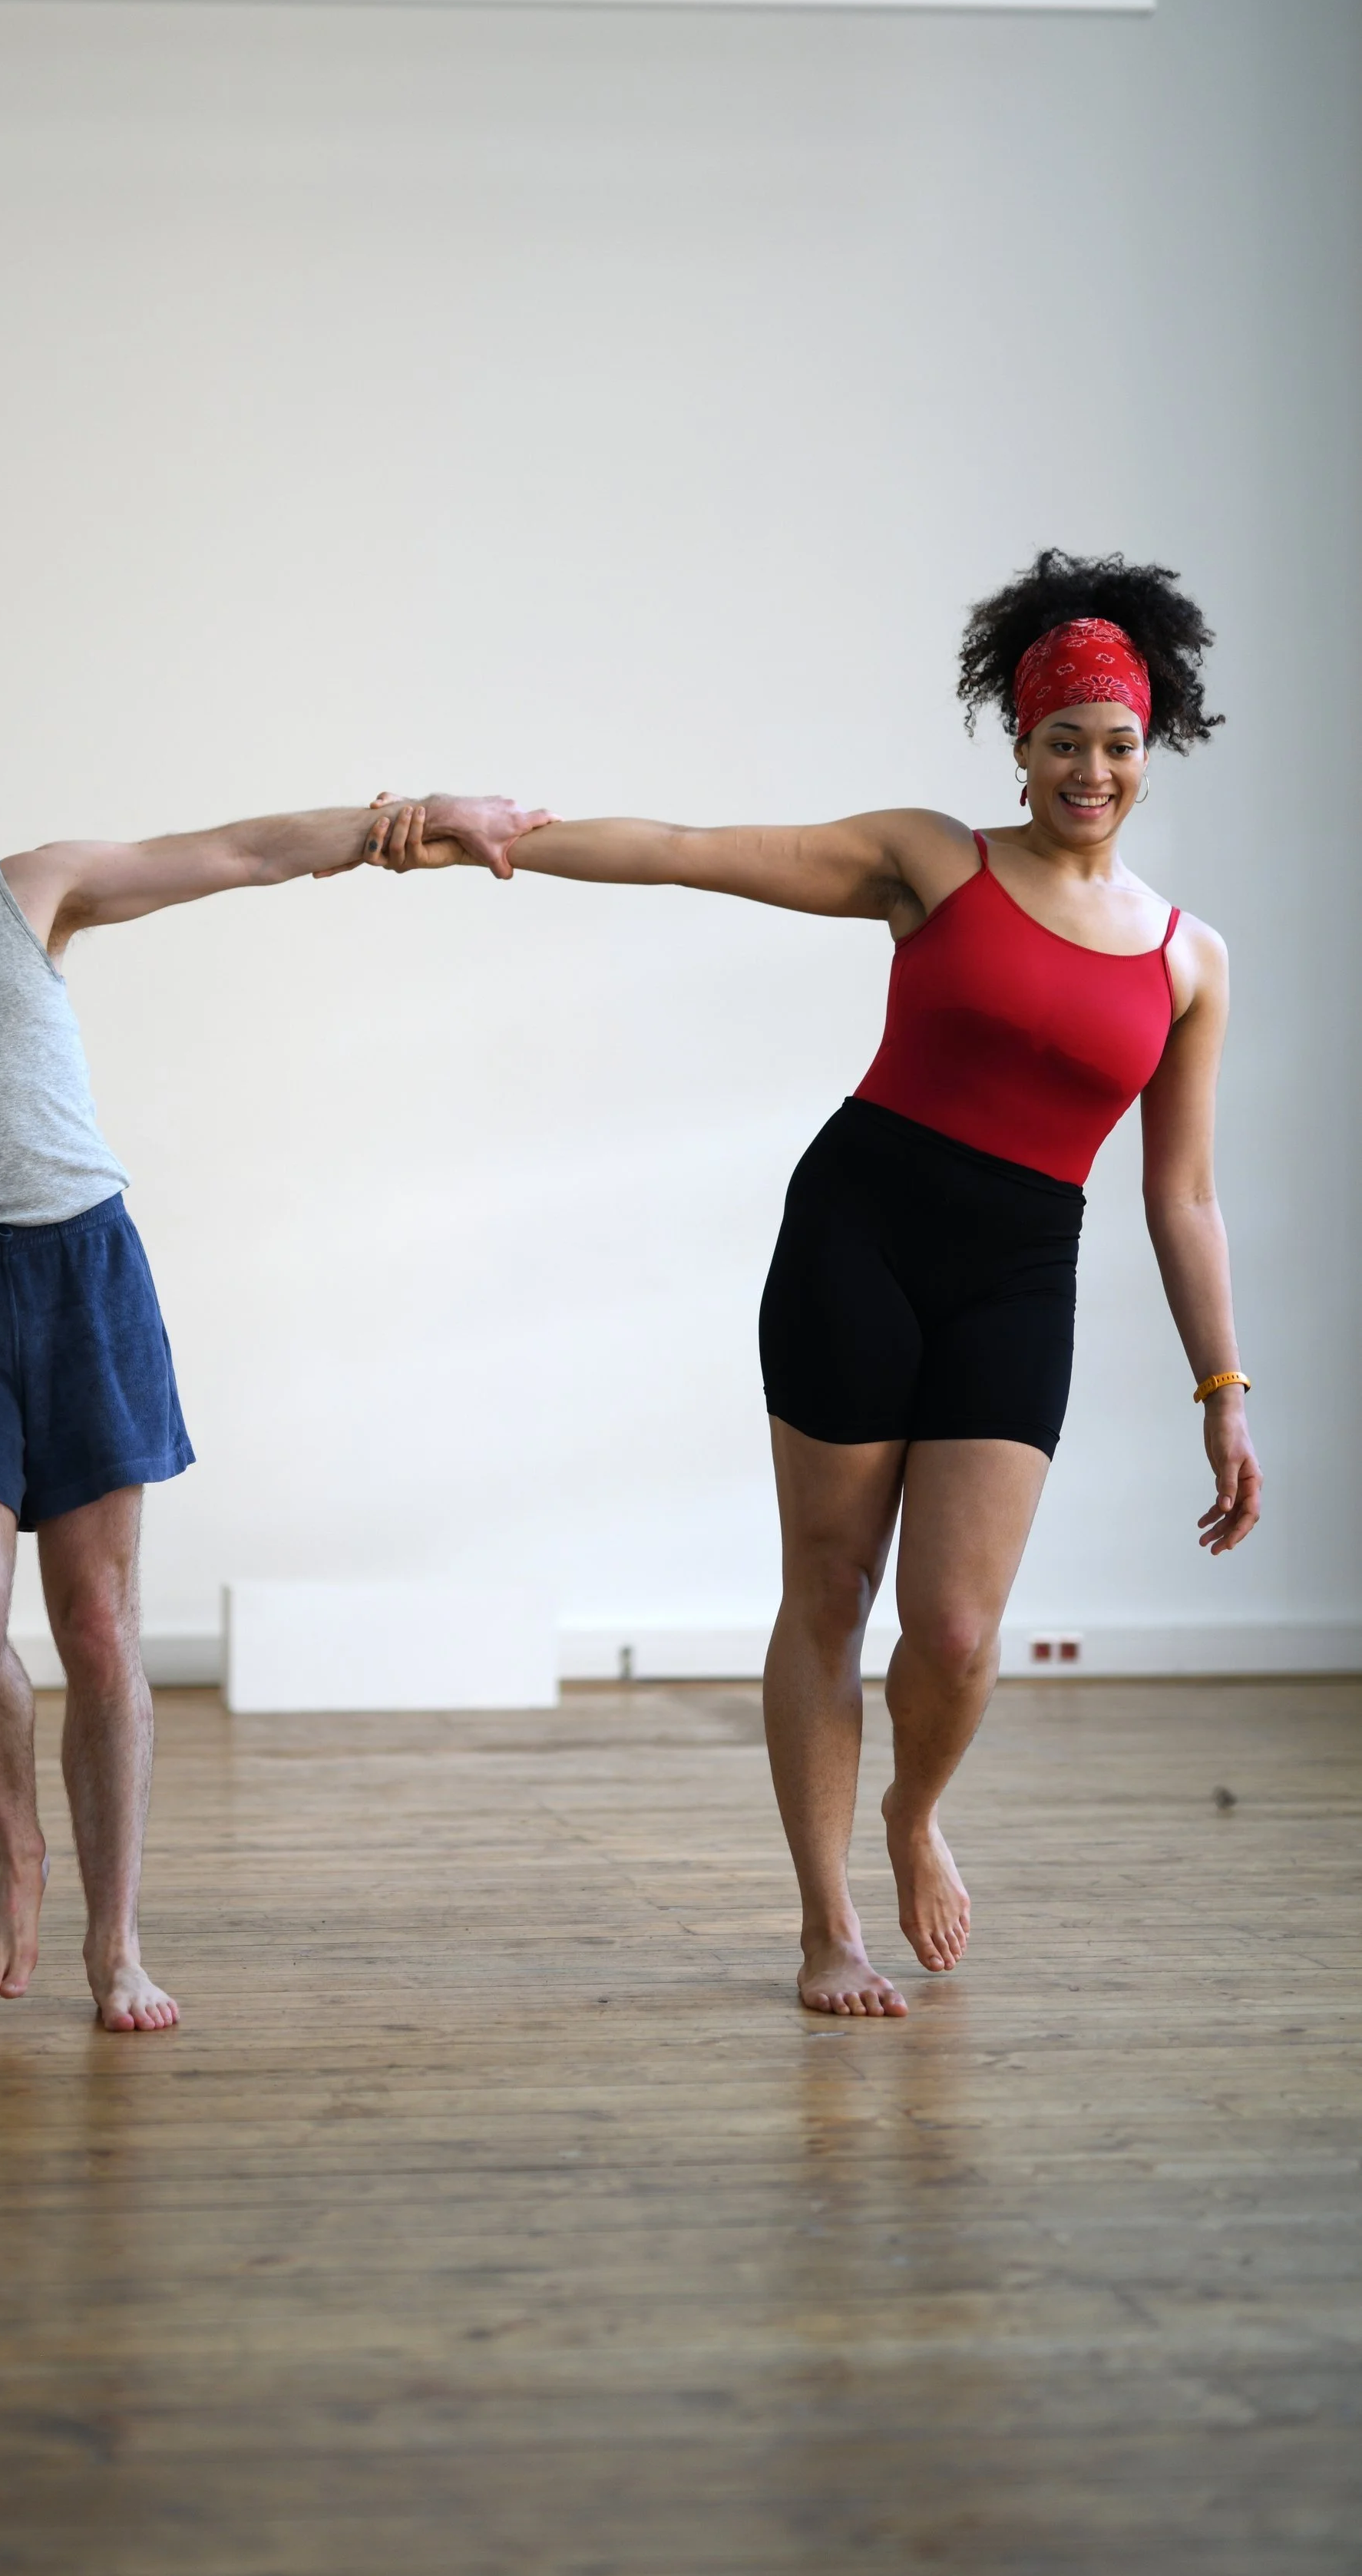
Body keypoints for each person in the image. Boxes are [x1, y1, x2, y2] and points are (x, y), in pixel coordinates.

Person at [375, 551, 1262, 2016]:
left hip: (1020, 1267)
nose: (1091, 771)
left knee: (957, 1633)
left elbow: (1184, 1195)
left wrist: (1221, 1390)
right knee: (833, 1587)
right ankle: (827, 1923)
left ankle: (913, 1809)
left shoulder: (1187, 959)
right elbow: (691, 849)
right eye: (1063, 741)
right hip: (862, 1230)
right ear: (1021, 745)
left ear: (1148, 747)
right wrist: (493, 834)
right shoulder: (934, 862)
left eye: (1117, 742)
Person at [0, 673, 546, 2029]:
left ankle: (119, 1942)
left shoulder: (26, 891)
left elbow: (243, 852)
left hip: (83, 1272)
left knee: (98, 1628)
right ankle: (17, 1850)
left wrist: (418, 815)